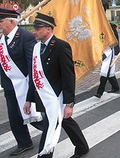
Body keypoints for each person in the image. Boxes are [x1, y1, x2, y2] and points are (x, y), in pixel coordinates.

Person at [24, 13, 89, 158]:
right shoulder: (36, 48)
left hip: (56, 98)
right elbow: (34, 76)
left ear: (48, 29)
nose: (35, 31)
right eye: (34, 28)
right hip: (43, 96)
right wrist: (28, 99)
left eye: (38, 28)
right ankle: (82, 146)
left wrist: (69, 103)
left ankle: (44, 154)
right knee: (65, 121)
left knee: (50, 126)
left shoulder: (60, 46)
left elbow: (68, 76)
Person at [0, 9, 42, 156]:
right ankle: (24, 142)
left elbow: (32, 64)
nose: (0, 25)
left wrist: (33, 87)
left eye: (1, 22)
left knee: (33, 115)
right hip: (9, 85)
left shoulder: (25, 37)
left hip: (24, 85)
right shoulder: (2, 39)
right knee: (14, 116)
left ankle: (53, 128)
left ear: (12, 22)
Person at [95, 0, 120, 98]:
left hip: (110, 48)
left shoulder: (108, 24)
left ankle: (100, 92)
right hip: (103, 48)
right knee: (109, 69)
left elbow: (114, 38)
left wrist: (116, 49)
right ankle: (115, 86)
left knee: (105, 69)